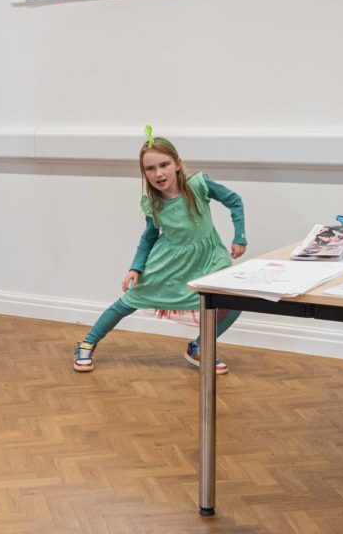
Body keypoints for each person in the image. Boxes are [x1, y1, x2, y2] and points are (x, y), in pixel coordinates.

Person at [73, 131, 247, 373]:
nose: (159, 173)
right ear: (144, 173)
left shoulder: (199, 184)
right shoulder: (152, 204)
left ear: (177, 164)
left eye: (164, 165)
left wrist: (240, 236)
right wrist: (135, 267)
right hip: (169, 263)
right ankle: (87, 343)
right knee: (128, 302)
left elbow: (235, 200)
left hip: (209, 258)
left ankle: (200, 346)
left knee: (235, 301)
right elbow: (149, 238)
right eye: (150, 168)